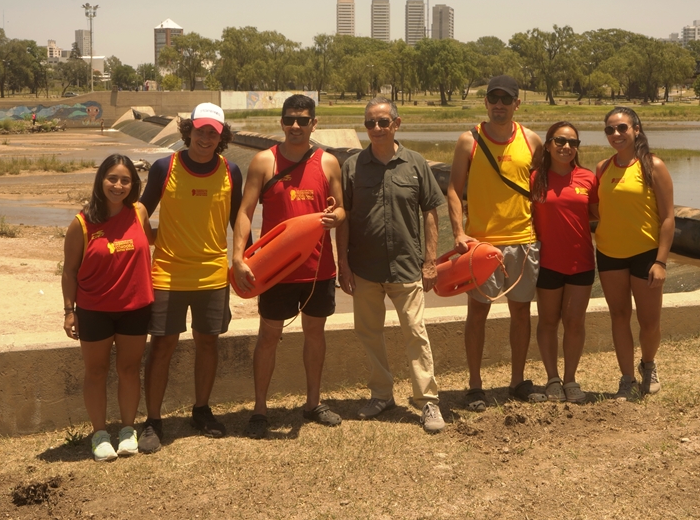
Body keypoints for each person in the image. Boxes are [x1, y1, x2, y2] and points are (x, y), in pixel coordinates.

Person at [232, 94, 345, 439]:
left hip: (318, 270)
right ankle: (260, 409)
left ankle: (313, 402)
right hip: (275, 271)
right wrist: (238, 258)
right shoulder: (264, 162)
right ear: (281, 123)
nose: (296, 125)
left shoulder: (329, 163)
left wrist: (333, 218)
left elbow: (341, 210)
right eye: (290, 119)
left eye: (303, 120)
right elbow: (245, 212)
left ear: (314, 123)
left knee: (315, 333)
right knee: (268, 336)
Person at [136, 103, 244, 452]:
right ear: (188, 130)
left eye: (213, 131)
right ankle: (153, 421)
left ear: (222, 135)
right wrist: (151, 239)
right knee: (163, 345)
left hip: (213, 273)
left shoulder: (232, 172)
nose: (205, 137)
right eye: (200, 130)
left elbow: (238, 221)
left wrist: (248, 259)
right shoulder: (164, 168)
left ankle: (201, 409)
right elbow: (141, 210)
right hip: (167, 273)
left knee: (207, 342)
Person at [336, 96, 446, 434]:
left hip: (407, 266)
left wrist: (431, 261)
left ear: (397, 124)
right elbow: (344, 218)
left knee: (415, 333)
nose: (376, 128)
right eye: (370, 123)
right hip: (365, 267)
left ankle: (427, 401)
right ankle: (382, 394)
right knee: (369, 334)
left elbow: (430, 211)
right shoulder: (353, 166)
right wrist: (343, 264)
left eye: (383, 122)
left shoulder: (414, 164)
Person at [447, 74, 544, 411]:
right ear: (486, 102)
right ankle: (475, 385)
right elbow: (453, 189)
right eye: (493, 99)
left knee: (521, 313)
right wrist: (459, 233)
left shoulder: (531, 140)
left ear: (517, 103)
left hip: (524, 241)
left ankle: (517, 380)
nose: (499, 105)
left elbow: (541, 189)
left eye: (506, 99)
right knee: (478, 314)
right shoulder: (468, 141)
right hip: (483, 245)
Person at [61, 154, 154, 462]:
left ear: (133, 184)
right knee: (96, 371)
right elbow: (69, 271)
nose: (118, 185)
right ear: (101, 180)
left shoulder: (139, 212)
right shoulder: (82, 222)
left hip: (135, 307)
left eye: (125, 180)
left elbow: (153, 240)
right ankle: (99, 434)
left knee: (129, 369)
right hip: (94, 310)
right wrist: (69, 310)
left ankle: (128, 430)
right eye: (112, 178)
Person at [594, 106, 675, 401]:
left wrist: (661, 261)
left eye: (622, 128)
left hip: (646, 254)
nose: (616, 134)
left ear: (636, 130)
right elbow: (596, 208)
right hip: (609, 254)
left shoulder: (653, 166)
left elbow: (668, 218)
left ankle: (648, 364)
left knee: (649, 322)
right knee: (618, 316)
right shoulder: (602, 168)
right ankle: (626, 378)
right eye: (610, 130)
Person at [531, 122, 596, 404]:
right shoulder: (534, 179)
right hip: (546, 263)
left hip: (581, 262)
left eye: (573, 143)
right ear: (547, 145)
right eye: (560, 141)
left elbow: (598, 215)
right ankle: (552, 379)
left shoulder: (587, 178)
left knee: (574, 322)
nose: (566, 147)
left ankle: (570, 379)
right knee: (548, 321)